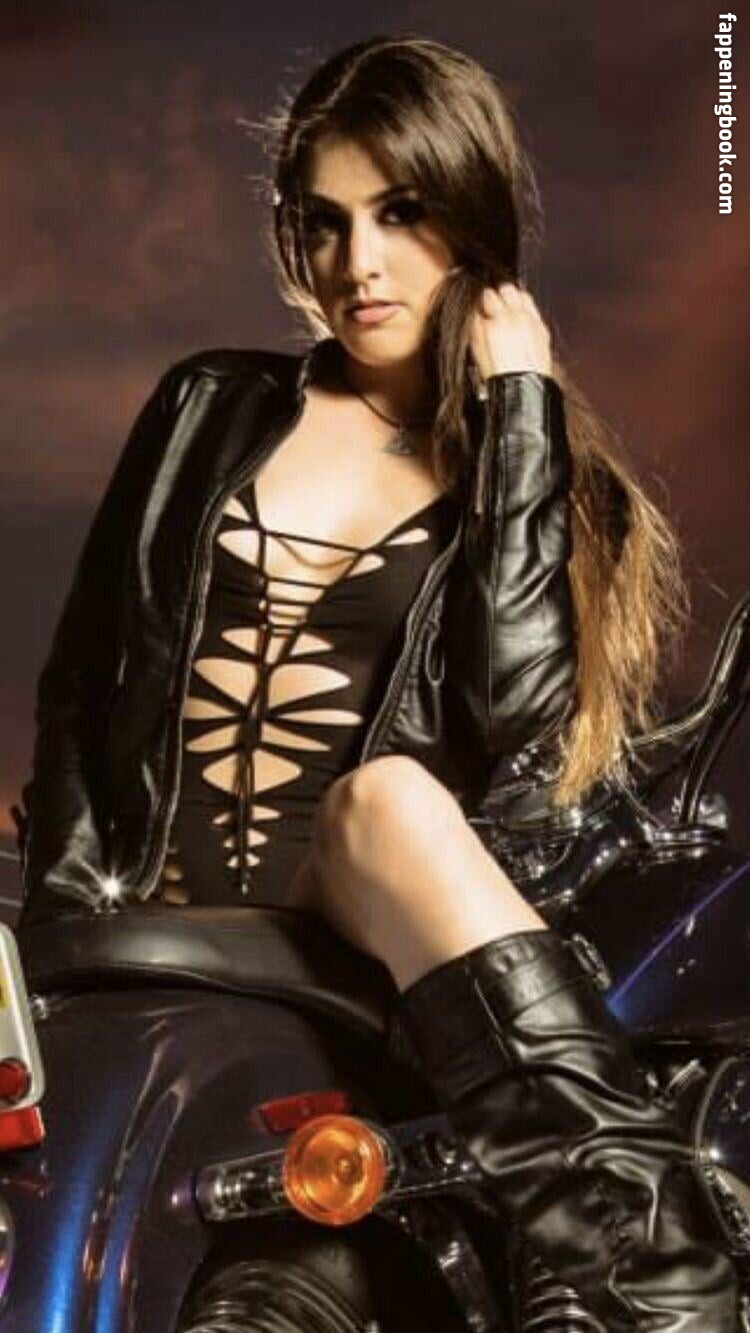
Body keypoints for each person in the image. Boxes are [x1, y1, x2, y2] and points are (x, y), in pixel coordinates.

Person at [13, 33, 742, 1331]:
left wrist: (518, 415)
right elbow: (82, 680)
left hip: (357, 940)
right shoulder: (206, 405)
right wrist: (66, 909)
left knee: (387, 797)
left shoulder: (526, 470)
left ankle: (656, 1279)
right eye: (326, 220)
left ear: (472, 223)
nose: (359, 263)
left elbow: (509, 713)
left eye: (401, 214)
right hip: (145, 922)